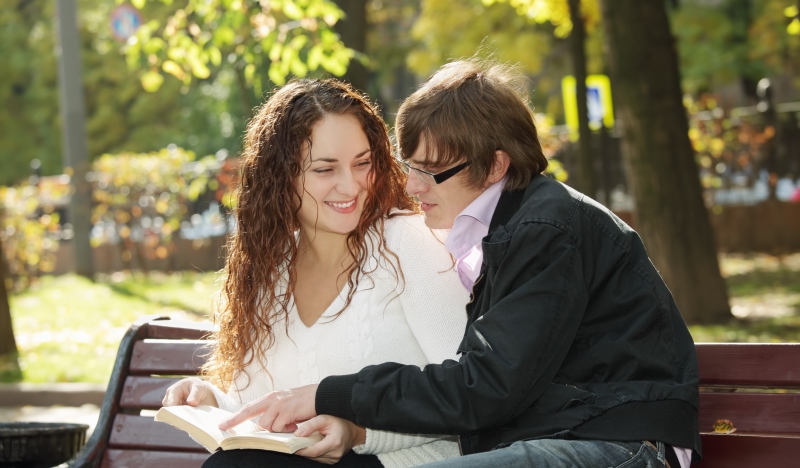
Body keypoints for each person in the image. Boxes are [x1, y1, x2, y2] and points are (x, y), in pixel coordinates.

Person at [220, 59, 703, 468]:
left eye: (431, 172)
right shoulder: (501, 231)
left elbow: (484, 386)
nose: (411, 187)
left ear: (494, 166)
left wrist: (334, 395)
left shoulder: (546, 229)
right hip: (568, 430)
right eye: (410, 167)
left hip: (624, 441)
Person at [161, 78, 470, 467]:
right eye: (325, 169)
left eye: (362, 163)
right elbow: (261, 411)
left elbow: (467, 396)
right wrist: (212, 402)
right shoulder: (269, 271)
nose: (351, 185)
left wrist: (359, 433)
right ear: (282, 178)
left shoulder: (407, 242)